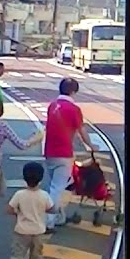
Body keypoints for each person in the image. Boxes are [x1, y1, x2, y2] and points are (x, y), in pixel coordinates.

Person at [44, 78, 95, 230]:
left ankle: (59, 217)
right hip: (64, 153)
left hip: (49, 152)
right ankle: (48, 222)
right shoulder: (74, 109)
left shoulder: (52, 105)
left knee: (55, 185)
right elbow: (82, 131)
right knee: (57, 188)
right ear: (73, 92)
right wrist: (91, 146)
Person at [6, 161, 54, 259]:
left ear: (24, 178)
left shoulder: (20, 194)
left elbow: (9, 209)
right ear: (41, 178)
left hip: (21, 231)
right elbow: (51, 208)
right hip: (38, 232)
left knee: (18, 255)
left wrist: (19, 213)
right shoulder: (44, 195)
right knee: (36, 257)